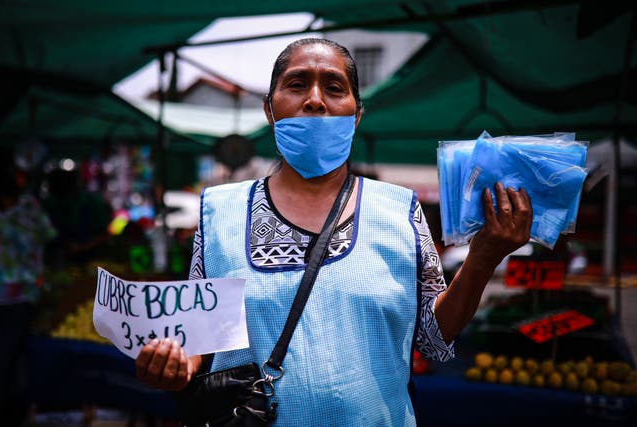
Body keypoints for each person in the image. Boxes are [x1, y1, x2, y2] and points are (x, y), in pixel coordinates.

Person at [135, 38, 532, 425]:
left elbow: (431, 336)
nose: (314, 99)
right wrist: (177, 364)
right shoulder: (219, 211)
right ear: (270, 110)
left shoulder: (399, 209)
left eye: (333, 87)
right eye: (296, 84)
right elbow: (202, 339)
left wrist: (483, 257)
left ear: (356, 114)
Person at [0, 148, 57, 426]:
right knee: (9, 359)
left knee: (8, 360)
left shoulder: (27, 208)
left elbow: (50, 238)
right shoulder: (30, 208)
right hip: (21, 295)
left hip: (18, 295)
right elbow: (51, 238)